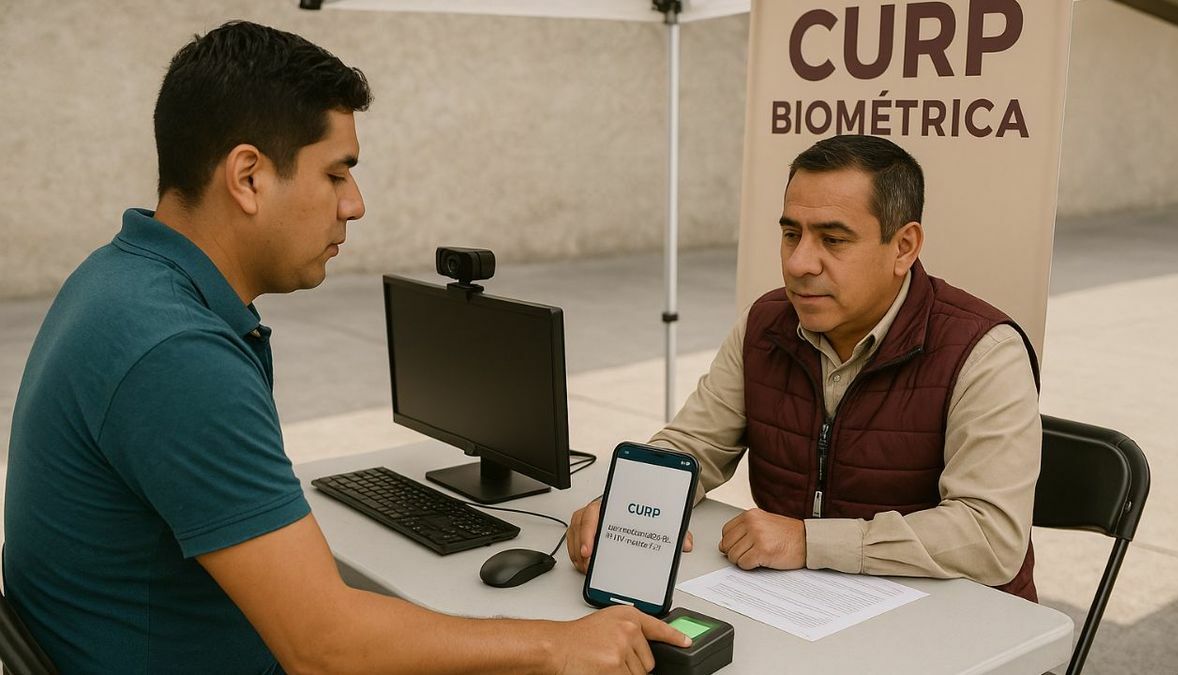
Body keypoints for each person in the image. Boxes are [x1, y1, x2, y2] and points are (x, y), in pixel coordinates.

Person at [3, 21, 688, 674]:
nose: (355, 203)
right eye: (336, 173)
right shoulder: (178, 352)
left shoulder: (119, 277)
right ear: (248, 178)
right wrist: (559, 645)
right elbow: (323, 647)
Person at [567, 134, 1042, 602]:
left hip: (959, 628)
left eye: (833, 240)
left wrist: (809, 541)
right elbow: (695, 444)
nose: (798, 262)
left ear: (904, 247)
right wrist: (626, 505)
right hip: (800, 606)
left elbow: (990, 534)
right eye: (791, 233)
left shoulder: (983, 349)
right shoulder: (766, 322)